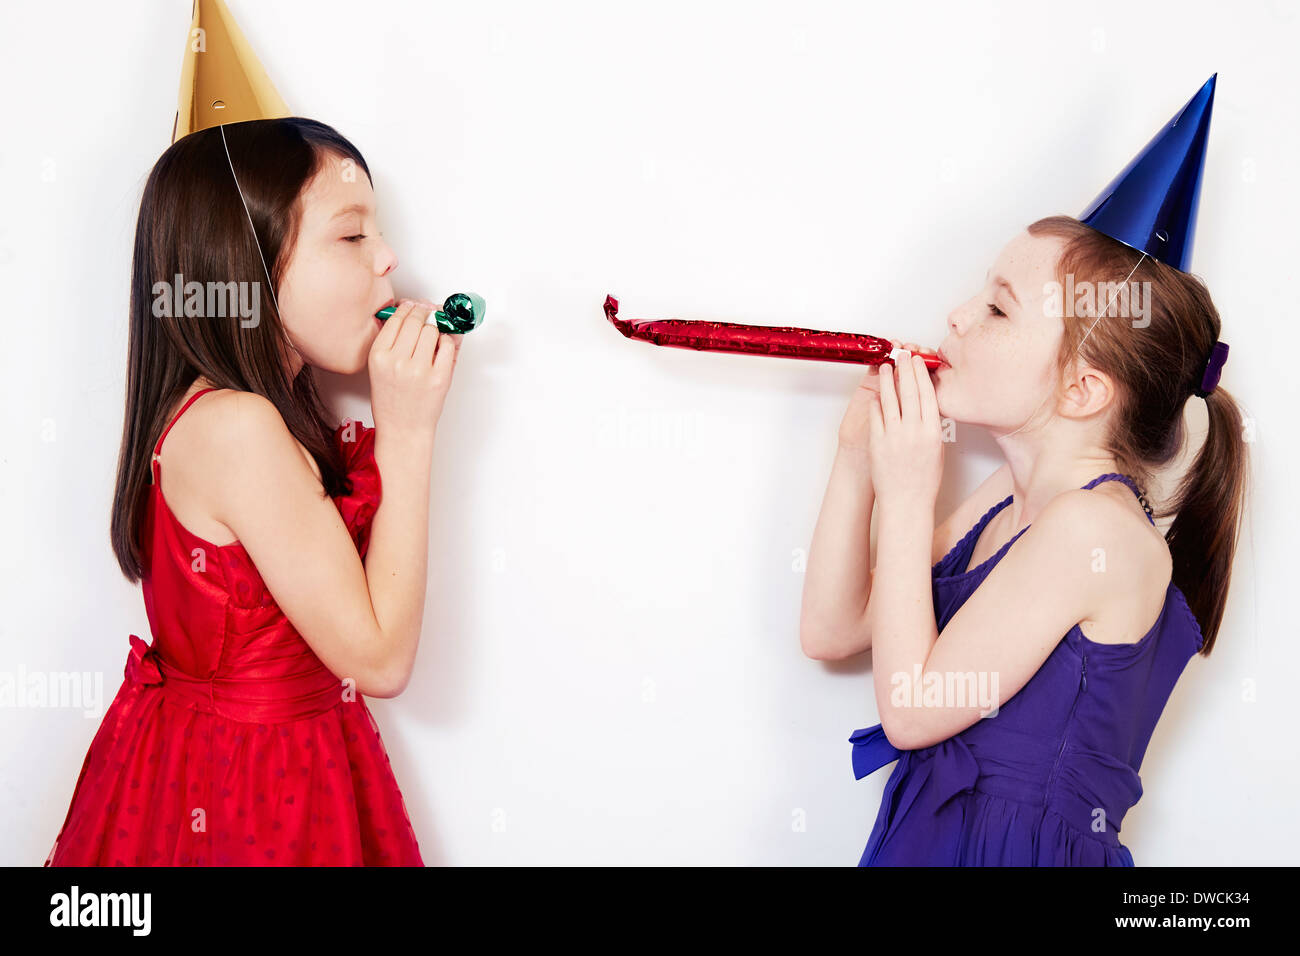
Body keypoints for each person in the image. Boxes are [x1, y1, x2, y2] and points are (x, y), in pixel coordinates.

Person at [43, 116, 459, 866]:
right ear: (248, 269)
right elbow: (381, 661)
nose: (389, 257)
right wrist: (409, 430)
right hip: (256, 796)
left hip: (216, 767)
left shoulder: (225, 414)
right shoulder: (240, 428)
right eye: (351, 236)